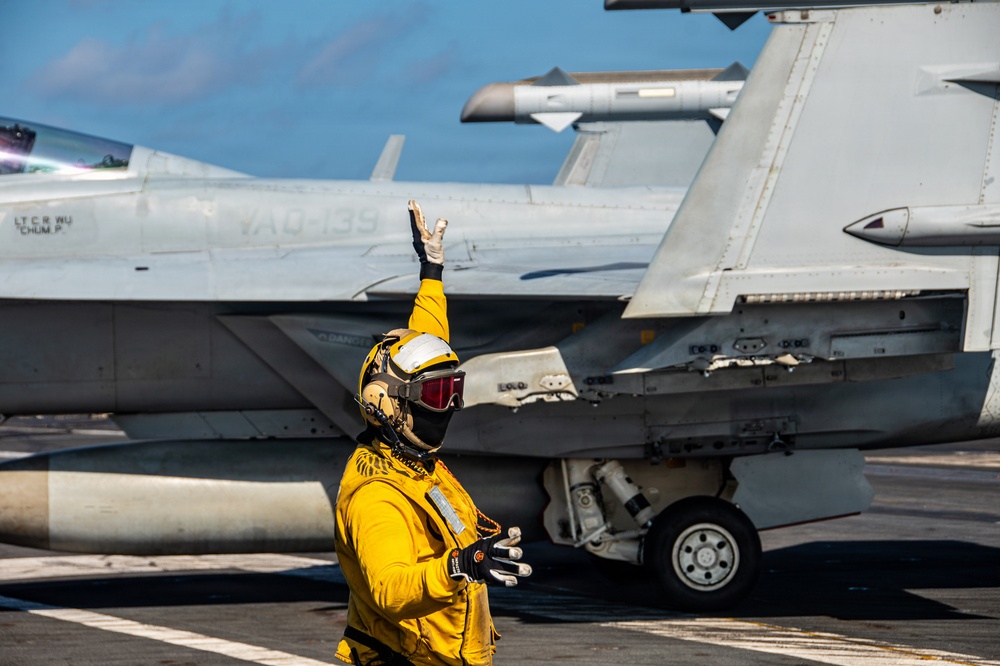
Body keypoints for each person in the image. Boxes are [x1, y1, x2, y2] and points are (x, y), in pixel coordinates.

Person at [335, 201, 532, 666]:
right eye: (436, 394)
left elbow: (425, 342)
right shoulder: (377, 495)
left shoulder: (409, 459)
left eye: (452, 390)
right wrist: (459, 567)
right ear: (388, 406)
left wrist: (432, 272)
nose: (447, 406)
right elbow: (389, 589)